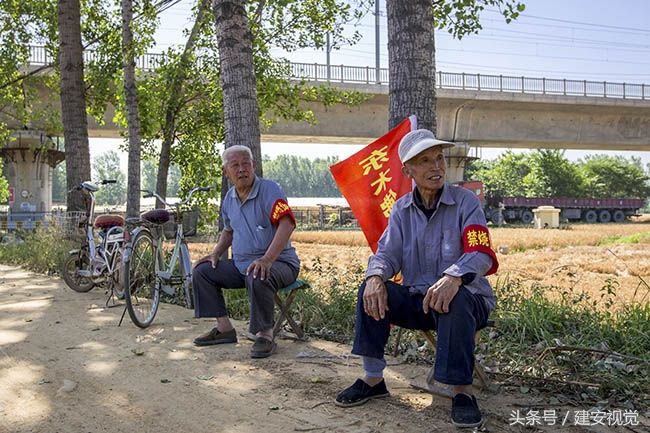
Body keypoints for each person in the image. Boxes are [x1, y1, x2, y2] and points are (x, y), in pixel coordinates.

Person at [334, 129, 498, 428]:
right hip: (421, 300)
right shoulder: (401, 210)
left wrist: (454, 277)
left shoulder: (465, 203)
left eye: (439, 158)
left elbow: (481, 252)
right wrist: (374, 277)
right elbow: (387, 254)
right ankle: (373, 379)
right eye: (425, 161)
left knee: (456, 296)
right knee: (371, 288)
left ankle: (462, 391)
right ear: (408, 170)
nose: (436, 167)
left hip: (467, 301)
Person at [192, 145, 300, 359]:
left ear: (254, 166)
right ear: (226, 172)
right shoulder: (229, 198)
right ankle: (224, 329)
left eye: (245, 164)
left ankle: (265, 335)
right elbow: (228, 230)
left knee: (258, 272)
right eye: (235, 165)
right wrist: (215, 253)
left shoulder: (270, 190)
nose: (241, 169)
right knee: (202, 271)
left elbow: (287, 224)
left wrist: (268, 259)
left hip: (281, 264)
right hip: (242, 265)